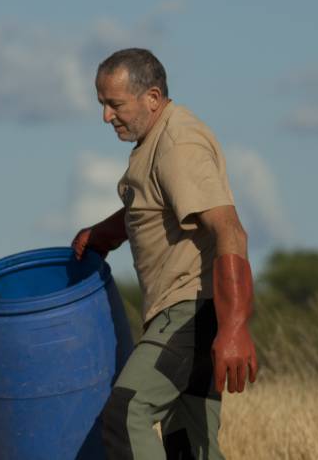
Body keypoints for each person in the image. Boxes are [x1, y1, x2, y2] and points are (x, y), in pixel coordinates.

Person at [71, 48, 257, 460]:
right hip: (186, 314)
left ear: (152, 98)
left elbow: (230, 231)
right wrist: (103, 233)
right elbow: (154, 205)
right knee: (189, 448)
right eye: (102, 104)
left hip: (190, 311)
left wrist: (234, 327)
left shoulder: (177, 144)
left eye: (115, 104)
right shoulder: (156, 142)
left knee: (125, 416)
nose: (106, 116)